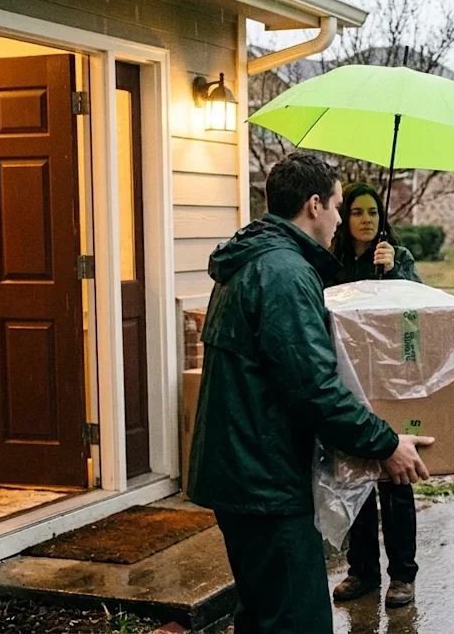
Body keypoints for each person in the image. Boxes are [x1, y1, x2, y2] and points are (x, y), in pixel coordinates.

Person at [187, 153, 434, 633]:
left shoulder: (253, 260)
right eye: (340, 206)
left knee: (263, 615)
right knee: (298, 621)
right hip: (266, 480)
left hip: (241, 472)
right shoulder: (284, 273)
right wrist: (385, 444)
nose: (343, 218)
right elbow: (313, 386)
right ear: (315, 204)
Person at [329, 183, 423, 608]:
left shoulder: (396, 257)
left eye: (373, 212)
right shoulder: (333, 262)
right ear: (345, 218)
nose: (366, 219)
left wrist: (396, 275)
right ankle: (361, 571)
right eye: (357, 212)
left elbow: (418, 311)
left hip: (390, 382)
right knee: (356, 479)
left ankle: (403, 576)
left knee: (396, 482)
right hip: (349, 383)